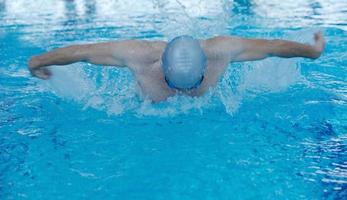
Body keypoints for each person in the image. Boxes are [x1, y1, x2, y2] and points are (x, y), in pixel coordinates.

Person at [28, 32, 325, 102]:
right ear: (162, 71)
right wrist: (38, 61)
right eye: (173, 85)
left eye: (194, 85)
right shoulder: (139, 55)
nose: (183, 93)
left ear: (206, 66)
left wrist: (310, 52)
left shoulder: (220, 51)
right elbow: (82, 53)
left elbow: (273, 47)